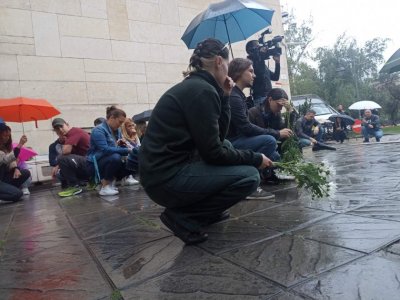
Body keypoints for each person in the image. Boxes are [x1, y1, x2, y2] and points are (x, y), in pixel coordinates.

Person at [139, 38, 271, 245]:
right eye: (227, 65)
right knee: (249, 177)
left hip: (164, 174)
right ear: (219, 61)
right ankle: (184, 217)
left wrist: (226, 97)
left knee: (229, 148)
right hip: (165, 179)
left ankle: (207, 212)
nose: (228, 71)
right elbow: (213, 153)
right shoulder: (201, 90)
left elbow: (219, 139)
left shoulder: (200, 87)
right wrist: (255, 158)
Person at [226, 58, 280, 191]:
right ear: (239, 73)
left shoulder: (238, 95)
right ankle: (246, 181)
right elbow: (246, 127)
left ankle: (259, 177)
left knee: (274, 155)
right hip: (232, 142)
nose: (254, 75)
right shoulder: (234, 97)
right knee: (269, 141)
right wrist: (276, 133)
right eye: (250, 71)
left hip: (240, 139)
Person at [87, 106, 136, 196]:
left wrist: (123, 144)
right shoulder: (98, 130)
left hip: (109, 159)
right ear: (112, 118)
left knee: (134, 160)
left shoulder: (117, 130)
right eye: (120, 122)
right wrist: (126, 150)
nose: (121, 125)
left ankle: (113, 182)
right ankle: (105, 186)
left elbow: (116, 147)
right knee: (115, 157)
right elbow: (105, 150)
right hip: (96, 163)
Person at [52, 118, 91, 197]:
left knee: (61, 158)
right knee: (60, 173)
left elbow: (66, 151)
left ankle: (74, 186)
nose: (60, 130)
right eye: (57, 129)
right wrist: (57, 166)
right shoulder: (69, 136)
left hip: (91, 163)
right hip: (88, 163)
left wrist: (63, 141)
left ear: (67, 124)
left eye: (61, 126)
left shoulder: (74, 132)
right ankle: (87, 181)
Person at [0, 123, 31, 202]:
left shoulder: (5, 146)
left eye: (8, 136)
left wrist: (16, 168)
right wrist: (20, 145)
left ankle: (9, 189)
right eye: (5, 135)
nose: (7, 138)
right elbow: (5, 159)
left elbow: (11, 161)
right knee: (17, 194)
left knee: (25, 172)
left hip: (4, 177)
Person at [246, 40, 280, 107]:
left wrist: (277, 62)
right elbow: (260, 74)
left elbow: (275, 77)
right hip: (260, 99)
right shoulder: (250, 63)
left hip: (269, 97)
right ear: (251, 50)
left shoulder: (262, 64)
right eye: (258, 46)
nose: (261, 48)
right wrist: (261, 56)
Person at [120, 118, 140, 185]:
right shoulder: (122, 136)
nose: (132, 127)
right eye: (129, 126)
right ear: (124, 128)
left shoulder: (135, 135)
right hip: (125, 155)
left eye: (132, 125)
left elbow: (139, 146)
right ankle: (129, 177)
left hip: (133, 153)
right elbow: (128, 148)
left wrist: (134, 137)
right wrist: (132, 141)